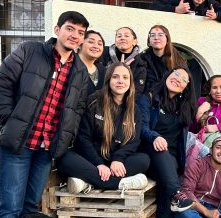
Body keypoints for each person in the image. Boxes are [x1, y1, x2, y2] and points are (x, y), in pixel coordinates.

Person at [0, 11, 90, 218]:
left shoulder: (79, 71)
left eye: (80, 33)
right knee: (10, 207)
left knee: (30, 207)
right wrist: (11, 120)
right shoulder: (29, 51)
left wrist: (64, 141)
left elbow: (77, 111)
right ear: (57, 29)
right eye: (70, 29)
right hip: (18, 145)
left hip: (46, 149)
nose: (75, 36)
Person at [57, 63, 151, 193]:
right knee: (65, 159)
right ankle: (119, 183)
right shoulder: (94, 102)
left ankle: (87, 182)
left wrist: (118, 159)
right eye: (115, 77)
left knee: (143, 160)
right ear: (108, 80)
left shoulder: (134, 110)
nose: (120, 81)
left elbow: (133, 142)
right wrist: (99, 164)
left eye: (125, 77)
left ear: (130, 82)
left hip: (115, 162)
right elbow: (83, 138)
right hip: (90, 159)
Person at [136, 67, 197, 218]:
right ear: (167, 76)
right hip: (148, 154)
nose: (178, 79)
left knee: (167, 177)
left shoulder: (183, 107)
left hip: (171, 161)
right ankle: (176, 194)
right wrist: (154, 137)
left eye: (183, 80)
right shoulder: (148, 98)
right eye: (176, 74)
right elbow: (141, 127)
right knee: (165, 166)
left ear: (186, 88)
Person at [99, 26, 149, 95]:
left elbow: (137, 91)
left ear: (134, 42)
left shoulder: (140, 63)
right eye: (119, 36)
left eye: (126, 36)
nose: (122, 38)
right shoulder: (103, 53)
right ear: (115, 41)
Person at [141, 24, 187, 93]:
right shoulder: (142, 59)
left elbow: (184, 81)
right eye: (152, 35)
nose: (156, 38)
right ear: (149, 41)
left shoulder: (178, 60)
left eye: (160, 35)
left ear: (167, 39)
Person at [77, 30, 106, 96]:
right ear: (80, 45)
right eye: (91, 42)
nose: (96, 46)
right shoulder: (69, 66)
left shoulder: (104, 71)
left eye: (99, 44)